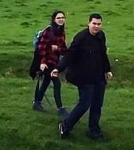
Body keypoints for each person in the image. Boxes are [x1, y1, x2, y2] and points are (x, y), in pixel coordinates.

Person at [54, 12, 112, 140]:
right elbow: (70, 54)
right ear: (89, 23)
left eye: (98, 24)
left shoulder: (101, 36)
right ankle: (65, 126)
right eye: (94, 24)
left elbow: (103, 54)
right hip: (83, 76)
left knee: (97, 104)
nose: (96, 27)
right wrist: (58, 68)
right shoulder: (81, 38)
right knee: (84, 103)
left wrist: (107, 70)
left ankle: (94, 131)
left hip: (98, 76)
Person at [32, 10, 69, 116]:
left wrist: (57, 49)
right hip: (47, 62)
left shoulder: (61, 32)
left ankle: (37, 103)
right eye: (58, 18)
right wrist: (42, 63)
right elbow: (41, 48)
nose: (61, 19)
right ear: (54, 19)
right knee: (57, 83)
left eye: (62, 17)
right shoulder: (49, 31)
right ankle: (60, 109)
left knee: (46, 81)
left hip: (54, 61)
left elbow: (63, 50)